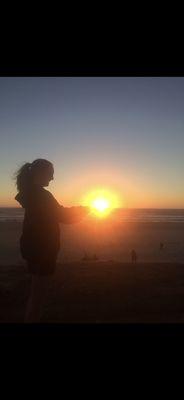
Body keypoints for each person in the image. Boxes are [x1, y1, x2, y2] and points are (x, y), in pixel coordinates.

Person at [14, 159, 90, 323]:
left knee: (36, 293)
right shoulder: (41, 195)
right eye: (51, 174)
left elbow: (56, 214)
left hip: (33, 248)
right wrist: (84, 210)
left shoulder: (32, 193)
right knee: (38, 296)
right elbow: (63, 216)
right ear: (40, 174)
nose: (53, 178)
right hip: (42, 251)